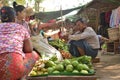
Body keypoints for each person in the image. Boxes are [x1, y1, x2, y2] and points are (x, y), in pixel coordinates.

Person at [0, 6, 39, 80]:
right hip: (14, 69)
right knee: (34, 55)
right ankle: (22, 77)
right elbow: (29, 49)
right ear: (15, 18)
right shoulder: (21, 28)